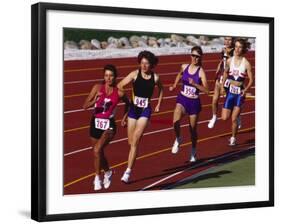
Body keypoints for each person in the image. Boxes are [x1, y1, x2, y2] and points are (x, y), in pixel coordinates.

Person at [117, 50, 164, 183]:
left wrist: (158, 104)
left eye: (147, 63)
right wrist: (125, 97)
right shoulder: (134, 74)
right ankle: (134, 152)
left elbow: (161, 89)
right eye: (142, 63)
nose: (143, 66)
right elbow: (120, 85)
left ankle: (127, 172)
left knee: (136, 139)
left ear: (151, 64)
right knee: (131, 142)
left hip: (145, 110)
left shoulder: (155, 78)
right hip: (133, 109)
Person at [83, 64, 130, 191]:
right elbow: (85, 105)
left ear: (115, 77)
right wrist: (95, 100)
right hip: (95, 123)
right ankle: (108, 172)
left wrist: (124, 118)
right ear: (103, 76)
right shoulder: (97, 88)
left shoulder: (119, 92)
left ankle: (97, 177)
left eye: (111, 76)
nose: (108, 78)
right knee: (97, 152)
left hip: (109, 125)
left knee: (97, 150)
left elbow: (128, 104)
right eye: (106, 76)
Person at [169, 46, 209, 162]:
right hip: (182, 98)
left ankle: (193, 150)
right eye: (193, 55)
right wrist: (174, 85)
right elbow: (179, 74)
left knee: (192, 129)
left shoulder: (201, 72)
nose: (195, 58)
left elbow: (207, 90)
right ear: (190, 55)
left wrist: (195, 84)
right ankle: (178, 138)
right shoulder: (184, 66)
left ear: (200, 58)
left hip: (194, 102)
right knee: (175, 120)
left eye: (197, 57)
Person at [220, 38, 253, 146]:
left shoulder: (246, 63)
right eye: (236, 46)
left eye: (240, 47)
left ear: (243, 49)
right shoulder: (230, 61)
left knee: (233, 119)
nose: (238, 49)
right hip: (230, 92)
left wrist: (246, 90)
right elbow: (225, 73)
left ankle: (233, 138)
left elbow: (251, 80)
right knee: (224, 118)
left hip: (239, 93)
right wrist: (222, 86)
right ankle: (238, 116)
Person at [208, 37, 235, 128]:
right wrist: (217, 69)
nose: (227, 41)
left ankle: (237, 115)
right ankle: (214, 117)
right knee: (215, 99)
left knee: (230, 100)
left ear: (233, 41)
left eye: (229, 39)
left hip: (230, 77)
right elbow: (222, 61)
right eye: (226, 39)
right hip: (221, 75)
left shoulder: (235, 51)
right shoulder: (223, 50)